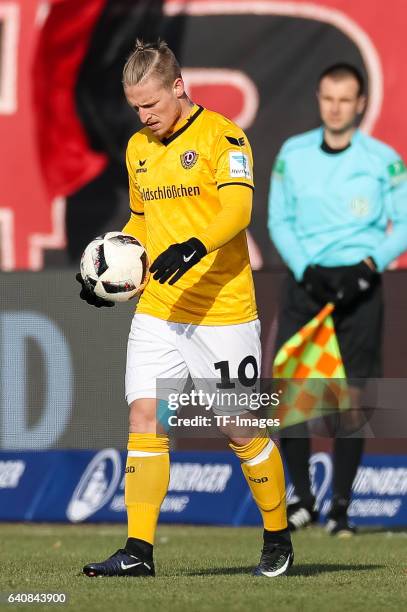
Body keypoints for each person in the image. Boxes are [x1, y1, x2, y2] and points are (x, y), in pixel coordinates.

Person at [77, 39, 293, 577]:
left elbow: (239, 209)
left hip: (222, 311)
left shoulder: (223, 136)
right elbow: (142, 223)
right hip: (158, 311)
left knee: (240, 428)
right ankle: (138, 552)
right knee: (145, 418)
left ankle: (278, 537)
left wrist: (195, 245)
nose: (145, 116)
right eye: (136, 108)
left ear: (178, 87)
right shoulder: (138, 149)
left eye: (151, 104)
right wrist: (108, 272)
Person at [268, 63, 407, 535]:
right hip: (306, 286)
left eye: (345, 99)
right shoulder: (293, 154)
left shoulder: (383, 160)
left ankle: (340, 510)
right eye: (328, 97)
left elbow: (403, 224)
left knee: (351, 398)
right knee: (293, 394)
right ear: (318, 97)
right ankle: (301, 498)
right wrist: (308, 269)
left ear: (361, 104)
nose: (335, 107)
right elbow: (278, 221)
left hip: (359, 290)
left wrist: (368, 267)